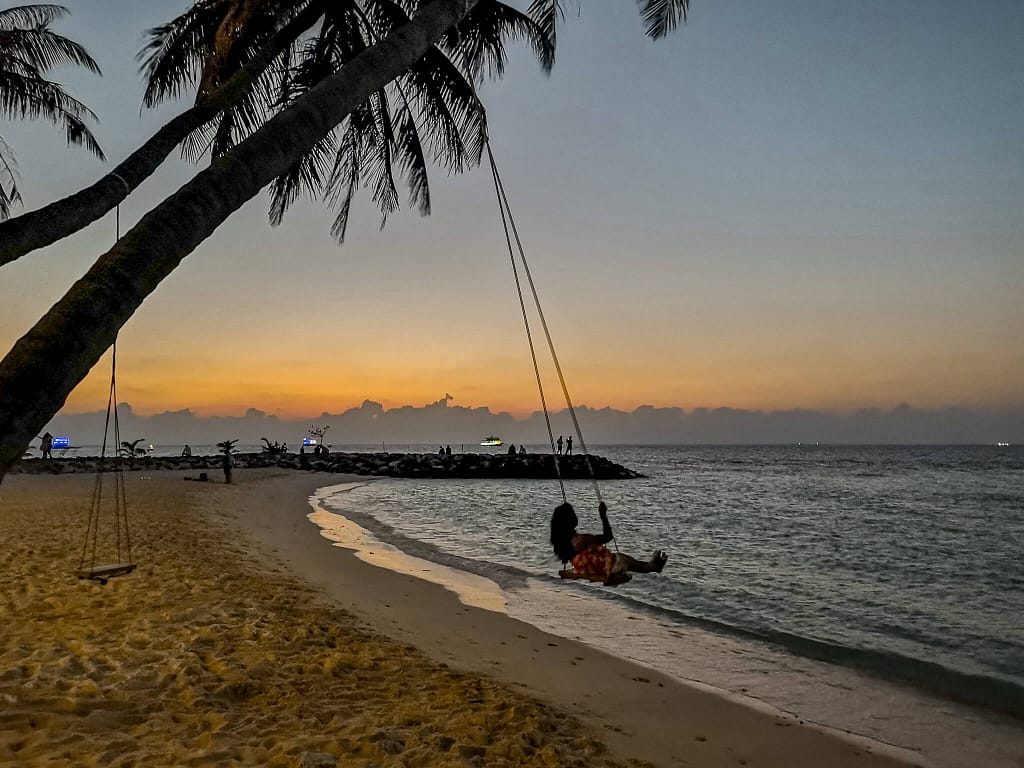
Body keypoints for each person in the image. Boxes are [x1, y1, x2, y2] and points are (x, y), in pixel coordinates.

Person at [550, 501, 667, 586]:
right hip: (606, 567)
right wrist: (603, 516)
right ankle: (654, 566)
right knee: (630, 562)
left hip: (588, 568)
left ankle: (652, 565)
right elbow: (607, 537)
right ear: (570, 519)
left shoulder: (562, 542)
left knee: (629, 564)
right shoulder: (580, 540)